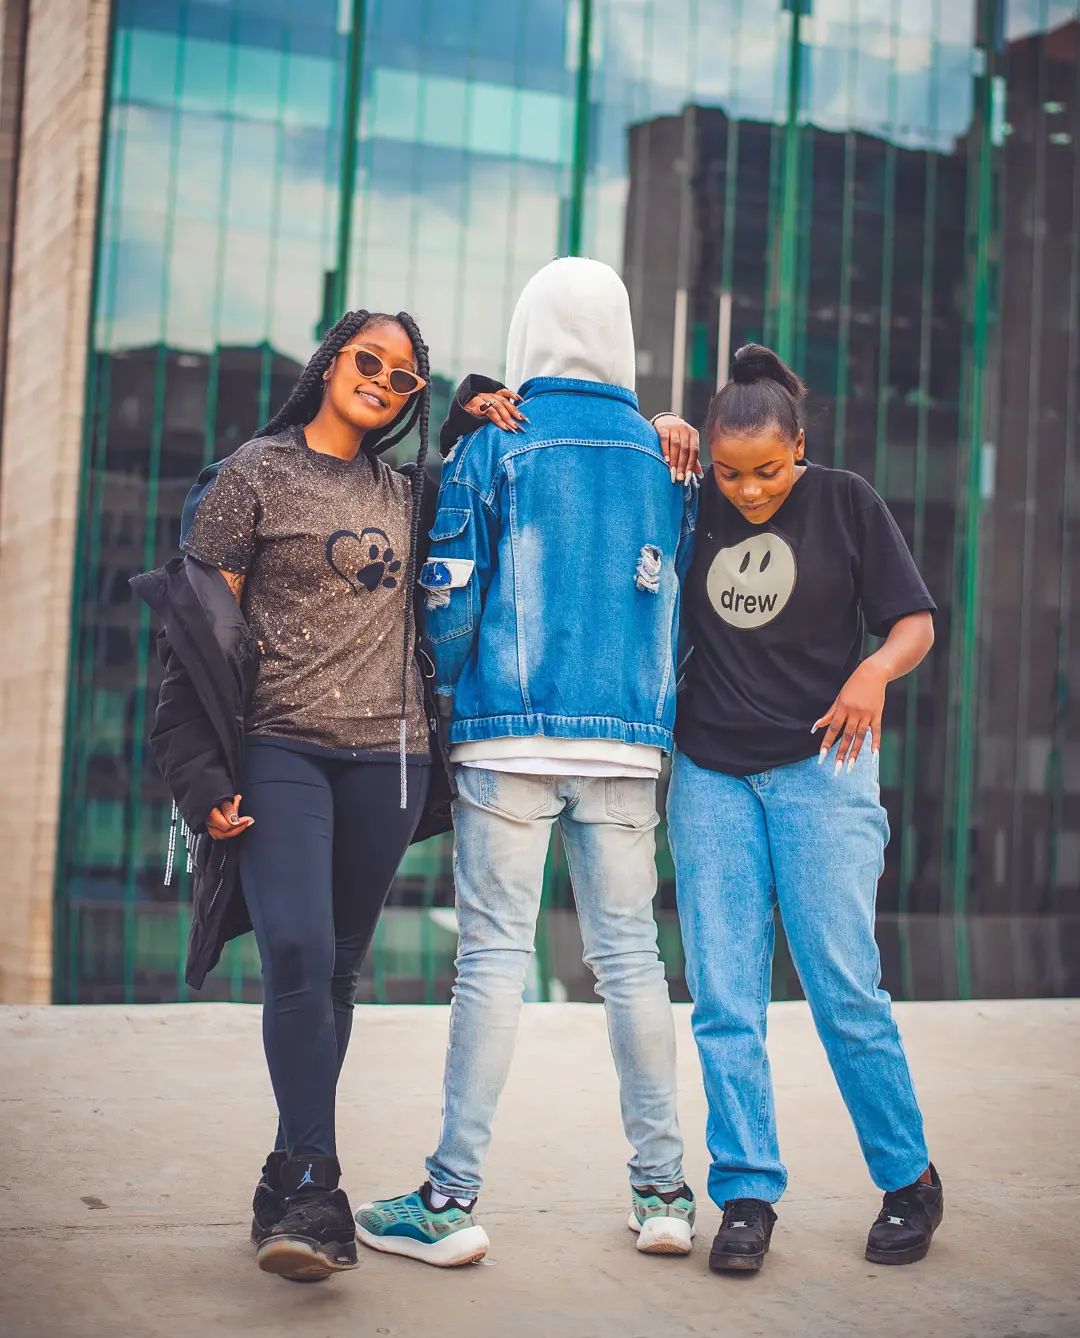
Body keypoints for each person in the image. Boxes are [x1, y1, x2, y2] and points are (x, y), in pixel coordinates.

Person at [354, 257, 699, 1266]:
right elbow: (674, 592)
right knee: (632, 960)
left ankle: (449, 1198)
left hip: (508, 735)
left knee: (494, 959)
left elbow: (449, 593)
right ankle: (664, 1192)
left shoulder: (497, 438)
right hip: (626, 746)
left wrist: (454, 691)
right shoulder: (661, 455)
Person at [131, 309, 450, 1282]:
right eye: (369, 361)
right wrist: (200, 777)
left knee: (336, 971)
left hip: (389, 763)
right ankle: (318, 1185)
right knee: (299, 952)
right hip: (281, 749)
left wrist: (476, 402)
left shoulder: (407, 492)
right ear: (330, 362)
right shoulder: (254, 476)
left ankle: (286, 1171)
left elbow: (492, 474)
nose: (383, 382)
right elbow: (194, 640)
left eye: (404, 378)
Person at [667, 343, 943, 1274]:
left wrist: (873, 671)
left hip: (823, 768)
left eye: (768, 472)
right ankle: (746, 1195)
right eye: (730, 472)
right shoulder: (694, 497)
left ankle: (908, 1180)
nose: (748, 491)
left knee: (843, 988)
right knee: (724, 998)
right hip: (711, 775)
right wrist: (661, 428)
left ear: (800, 450)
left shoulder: (846, 502)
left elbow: (915, 623)